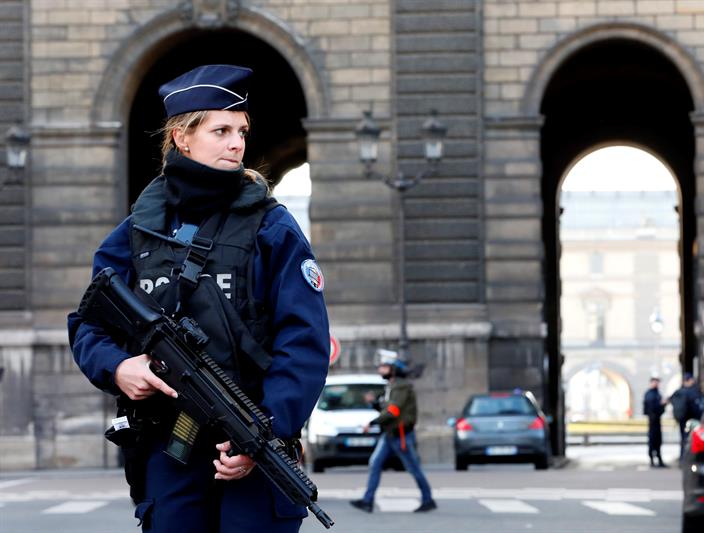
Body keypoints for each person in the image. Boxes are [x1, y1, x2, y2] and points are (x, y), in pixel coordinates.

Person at [67, 65, 329, 533]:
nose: (237, 143)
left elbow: (304, 341)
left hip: (249, 440)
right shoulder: (138, 231)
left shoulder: (273, 228)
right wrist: (118, 368)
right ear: (182, 137)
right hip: (169, 448)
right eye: (221, 130)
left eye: (242, 131)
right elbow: (89, 324)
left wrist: (266, 430)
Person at [350, 349, 437, 513]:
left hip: (401, 435)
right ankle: (367, 501)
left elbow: (393, 411)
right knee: (375, 464)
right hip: (390, 434)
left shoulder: (401, 387)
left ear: (393, 369)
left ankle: (428, 499)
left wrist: (372, 422)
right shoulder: (392, 386)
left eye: (383, 367)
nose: (380, 370)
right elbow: (387, 408)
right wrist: (375, 403)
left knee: (413, 468)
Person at [670, 372, 702, 458]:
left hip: (681, 419)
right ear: (689, 380)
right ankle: (688, 458)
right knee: (690, 439)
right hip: (691, 420)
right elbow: (696, 408)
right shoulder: (692, 392)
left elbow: (671, 400)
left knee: (683, 439)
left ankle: (682, 457)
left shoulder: (678, 391)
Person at [643, 376, 666, 468]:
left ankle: (659, 459)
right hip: (652, 420)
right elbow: (651, 407)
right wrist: (660, 404)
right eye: (655, 382)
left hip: (657, 420)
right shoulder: (649, 394)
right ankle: (652, 460)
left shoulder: (657, 393)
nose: (657, 384)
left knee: (658, 441)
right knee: (652, 440)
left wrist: (662, 405)